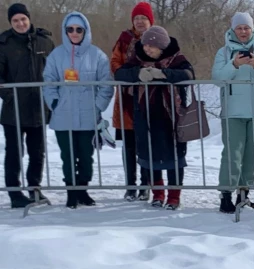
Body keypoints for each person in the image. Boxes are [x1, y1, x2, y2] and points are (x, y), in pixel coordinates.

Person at [115, 26, 194, 211]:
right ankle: (158, 194)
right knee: (150, 156)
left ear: (161, 46)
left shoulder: (177, 59)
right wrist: (138, 74)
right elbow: (120, 73)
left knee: (174, 157)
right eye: (145, 45)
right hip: (145, 116)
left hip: (172, 117)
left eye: (152, 46)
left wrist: (163, 74)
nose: (147, 49)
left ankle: (174, 196)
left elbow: (189, 74)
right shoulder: (137, 59)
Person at [43, 11, 113, 209]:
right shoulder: (56, 55)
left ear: (85, 31)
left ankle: (82, 189)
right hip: (62, 115)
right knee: (67, 156)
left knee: (86, 156)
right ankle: (71, 193)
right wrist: (54, 103)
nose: (74, 33)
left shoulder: (97, 55)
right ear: (65, 31)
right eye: (70, 29)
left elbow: (106, 85)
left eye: (78, 29)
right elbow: (48, 82)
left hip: (87, 116)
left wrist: (97, 107)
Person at [212, 12, 254, 213]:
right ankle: (226, 194)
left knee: (253, 156)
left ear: (252, 29)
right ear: (233, 30)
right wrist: (234, 64)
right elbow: (217, 78)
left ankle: (244, 192)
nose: (243, 31)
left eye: (246, 28)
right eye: (239, 28)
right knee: (232, 154)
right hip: (233, 112)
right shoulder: (224, 52)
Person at [0, 3, 54, 208]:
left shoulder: (45, 41)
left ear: (29, 19)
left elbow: (54, 72)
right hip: (13, 109)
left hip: (38, 108)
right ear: (10, 23)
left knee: (37, 151)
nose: (20, 23)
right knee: (14, 152)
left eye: (23, 19)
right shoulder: (4, 44)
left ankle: (34, 189)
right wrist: (9, 96)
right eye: (15, 20)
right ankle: (14, 193)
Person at [111, 1, 154, 202]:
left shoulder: (157, 38)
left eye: (143, 18)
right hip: (127, 101)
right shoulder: (124, 39)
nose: (139, 22)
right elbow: (115, 64)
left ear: (150, 21)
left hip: (150, 99)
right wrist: (134, 74)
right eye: (136, 18)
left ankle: (146, 185)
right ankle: (130, 186)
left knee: (146, 145)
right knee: (129, 146)